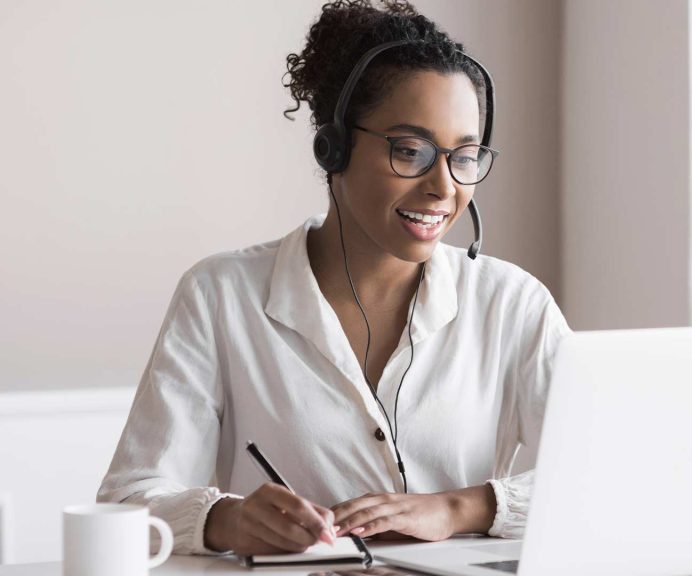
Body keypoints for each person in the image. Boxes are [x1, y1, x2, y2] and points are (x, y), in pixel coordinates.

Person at [97, 0, 570, 556]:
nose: (444, 187)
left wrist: (456, 508)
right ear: (334, 147)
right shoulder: (220, 295)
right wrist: (225, 519)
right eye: (410, 150)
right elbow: (128, 500)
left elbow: (613, 478)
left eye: (464, 156)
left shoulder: (512, 304)